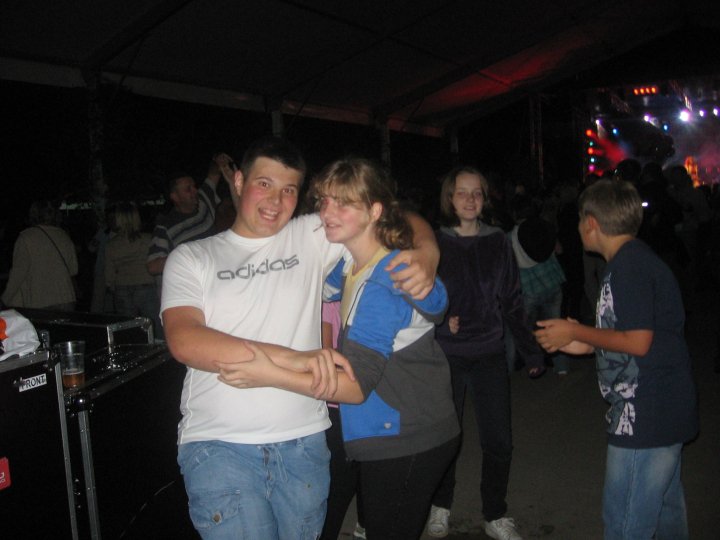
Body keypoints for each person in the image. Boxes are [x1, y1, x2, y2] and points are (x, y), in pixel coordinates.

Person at [161, 138, 440, 540]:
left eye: (289, 189)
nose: (276, 200)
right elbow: (186, 340)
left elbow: (389, 214)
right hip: (220, 443)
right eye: (264, 184)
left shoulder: (310, 235)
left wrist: (427, 251)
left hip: (304, 444)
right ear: (238, 181)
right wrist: (294, 358)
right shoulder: (192, 257)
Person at [534, 179, 698, 540]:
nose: (578, 228)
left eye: (580, 220)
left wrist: (577, 330)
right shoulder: (631, 261)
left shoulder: (629, 266)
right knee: (666, 513)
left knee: (626, 523)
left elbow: (637, 341)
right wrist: (587, 344)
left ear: (591, 222)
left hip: (646, 412)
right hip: (658, 406)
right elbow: (637, 335)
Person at [426, 166, 544, 540]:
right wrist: (439, 321)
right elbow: (419, 297)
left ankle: (495, 513)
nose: (470, 199)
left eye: (477, 192)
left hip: (490, 352)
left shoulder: (497, 242)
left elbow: (512, 299)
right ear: (449, 198)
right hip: (447, 354)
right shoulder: (434, 242)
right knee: (445, 437)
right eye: (462, 192)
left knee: (499, 440)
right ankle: (440, 504)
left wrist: (531, 351)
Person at [146, 152, 235, 278]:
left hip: (218, 277)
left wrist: (218, 161)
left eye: (194, 186)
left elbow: (214, 174)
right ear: (175, 197)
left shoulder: (204, 202)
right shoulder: (165, 227)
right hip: (194, 284)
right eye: (188, 189)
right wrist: (190, 255)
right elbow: (153, 266)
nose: (195, 191)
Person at [1, 200, 78, 311]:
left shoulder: (26, 238)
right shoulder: (64, 236)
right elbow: (73, 269)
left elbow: (18, 274)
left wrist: (5, 299)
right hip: (66, 298)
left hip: (40, 300)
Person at [104, 202, 161, 336]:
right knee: (154, 327)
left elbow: (109, 275)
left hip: (122, 288)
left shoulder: (111, 244)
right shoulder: (148, 239)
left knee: (128, 330)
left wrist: (111, 286)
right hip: (146, 286)